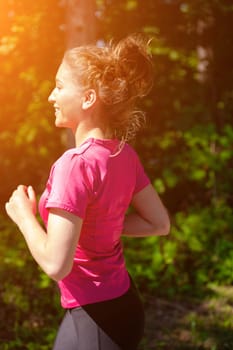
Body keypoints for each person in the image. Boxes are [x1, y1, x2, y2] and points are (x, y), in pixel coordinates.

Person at [5, 34, 170, 350]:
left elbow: (56, 265)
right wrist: (97, 225)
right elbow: (159, 224)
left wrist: (24, 218)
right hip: (122, 305)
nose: (51, 96)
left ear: (88, 98)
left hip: (96, 320)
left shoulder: (74, 165)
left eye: (60, 86)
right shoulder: (123, 155)